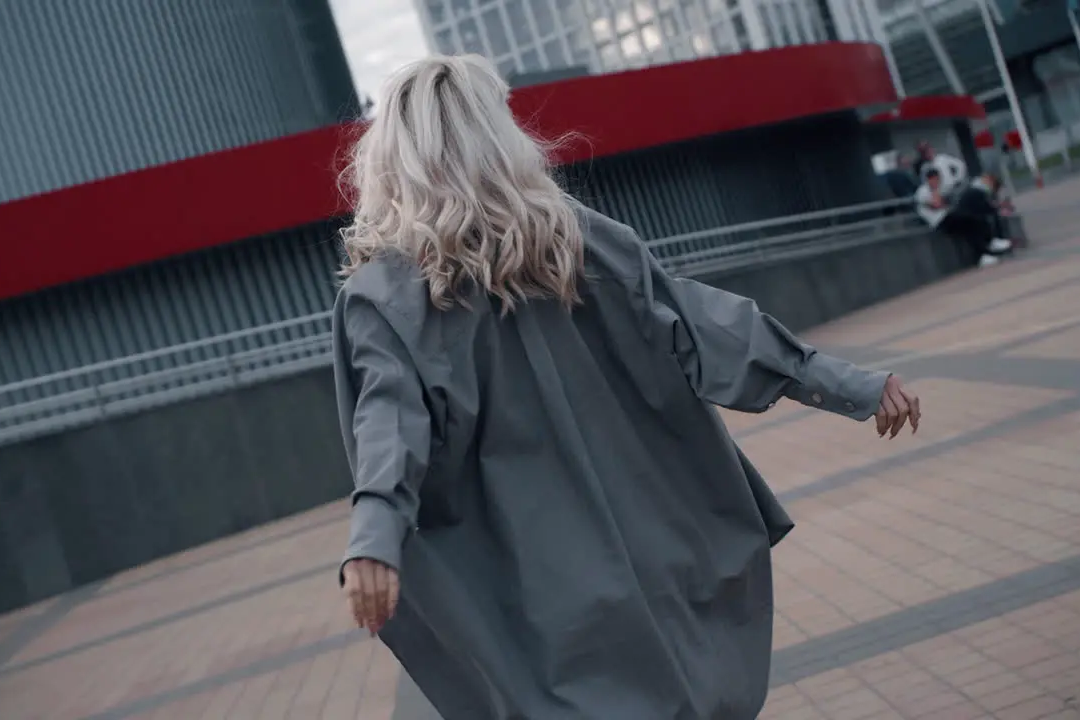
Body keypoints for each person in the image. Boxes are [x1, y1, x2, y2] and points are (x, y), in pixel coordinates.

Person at [332, 54, 921, 720]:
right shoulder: (579, 245)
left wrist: (375, 535)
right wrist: (844, 382)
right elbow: (710, 325)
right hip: (652, 559)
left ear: (391, 161)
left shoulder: (387, 297)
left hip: (525, 591)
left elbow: (388, 421)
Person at [915, 168, 1011, 267]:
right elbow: (937, 205)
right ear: (929, 179)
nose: (938, 182)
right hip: (939, 221)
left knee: (974, 224)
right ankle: (985, 250)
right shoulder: (923, 191)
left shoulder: (938, 189)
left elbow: (946, 202)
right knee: (972, 220)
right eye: (935, 180)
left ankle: (986, 250)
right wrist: (935, 191)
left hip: (948, 216)